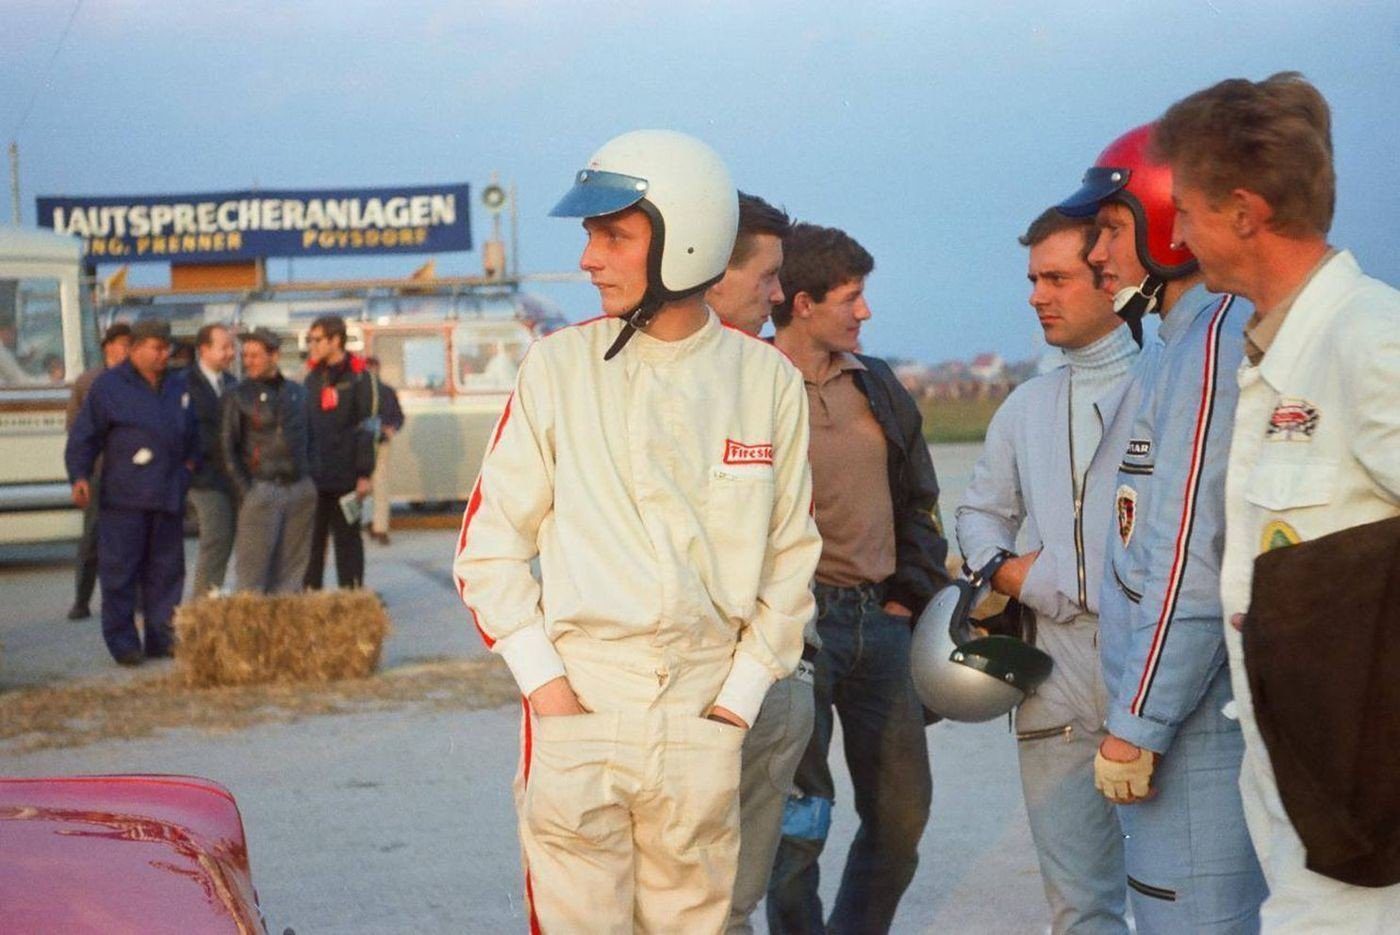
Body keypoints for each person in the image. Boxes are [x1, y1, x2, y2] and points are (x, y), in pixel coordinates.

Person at [452, 129, 822, 934]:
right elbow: (487, 551)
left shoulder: (765, 382)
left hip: (708, 708)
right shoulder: (556, 369)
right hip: (583, 696)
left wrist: (734, 704)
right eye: (590, 234)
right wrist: (550, 692)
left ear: (685, 238)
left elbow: (791, 562)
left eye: (612, 234)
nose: (588, 258)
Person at [1154, 71, 1400, 932]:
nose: (1176, 234)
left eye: (1185, 210)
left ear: (1245, 212)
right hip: (1303, 784)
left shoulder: (1369, 340)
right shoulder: (1276, 346)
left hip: (1369, 800)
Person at [1056, 122, 1267, 931]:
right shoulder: (1172, 346)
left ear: (1164, 218)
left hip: (1194, 727)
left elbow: (1187, 556)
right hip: (1174, 713)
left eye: (1109, 228)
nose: (1096, 255)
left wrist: (1136, 725)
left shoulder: (1212, 340)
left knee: (1193, 916)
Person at [955, 208, 1138, 934]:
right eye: (1033, 278)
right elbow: (978, 513)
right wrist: (1006, 571)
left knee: (1180, 898)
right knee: (1081, 907)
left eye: (1056, 278)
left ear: (1112, 276)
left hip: (1150, 662)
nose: (1037, 295)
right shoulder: (1026, 404)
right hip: (1054, 678)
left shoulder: (1171, 388)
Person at [766, 222, 948, 935]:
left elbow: (920, 499)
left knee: (903, 813)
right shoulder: (753, 382)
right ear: (803, 302)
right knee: (798, 820)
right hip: (798, 631)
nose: (865, 311)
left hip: (883, 622)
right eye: (852, 297)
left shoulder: (878, 385)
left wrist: (908, 595)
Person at [703, 192, 816, 934]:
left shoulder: (770, 376)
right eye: (767, 275)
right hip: (684, 695)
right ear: (709, 268)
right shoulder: (594, 373)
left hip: (766, 685)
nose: (778, 294)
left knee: (731, 906)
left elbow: (792, 540)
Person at [65, 318, 197, 665]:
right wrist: (79, 476)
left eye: (166, 348)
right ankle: (123, 642)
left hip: (168, 495)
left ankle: (161, 636)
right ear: (135, 348)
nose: (163, 354)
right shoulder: (109, 387)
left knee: (166, 572)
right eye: (156, 347)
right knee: (120, 573)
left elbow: (194, 437)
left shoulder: (177, 386)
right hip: (124, 499)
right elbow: (84, 437)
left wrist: (189, 469)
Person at [221, 328, 316, 594]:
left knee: (292, 571)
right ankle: (251, 630)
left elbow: (311, 436)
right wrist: (246, 489)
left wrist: (310, 478)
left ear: (274, 356)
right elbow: (227, 446)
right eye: (245, 355)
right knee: (253, 572)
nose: (248, 361)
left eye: (255, 355)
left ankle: (284, 629)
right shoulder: (237, 395)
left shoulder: (298, 393)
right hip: (261, 487)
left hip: (299, 488)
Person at [302, 314, 376, 590]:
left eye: (317, 340)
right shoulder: (311, 378)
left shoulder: (359, 378)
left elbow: (368, 426)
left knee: (348, 540)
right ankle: (311, 596)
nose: (312, 345)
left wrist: (364, 473)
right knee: (312, 542)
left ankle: (352, 595)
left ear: (335, 340)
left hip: (347, 477)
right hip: (315, 477)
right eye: (311, 340)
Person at [64, 322, 132, 620]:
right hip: (99, 471)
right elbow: (76, 428)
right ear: (109, 347)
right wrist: (83, 470)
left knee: (132, 539)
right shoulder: (88, 381)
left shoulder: (137, 381)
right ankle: (81, 599)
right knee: (91, 538)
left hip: (130, 473)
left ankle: (135, 600)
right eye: (124, 344)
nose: (129, 350)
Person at [185, 323, 238, 598]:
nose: (231, 353)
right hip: (201, 478)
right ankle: (200, 606)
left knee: (225, 539)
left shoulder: (232, 384)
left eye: (232, 347)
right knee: (216, 536)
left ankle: (210, 597)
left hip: (229, 477)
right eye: (224, 347)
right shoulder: (184, 384)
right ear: (203, 350)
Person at [364, 356, 404, 545]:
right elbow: (399, 417)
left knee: (370, 483)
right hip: (378, 442)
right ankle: (378, 527)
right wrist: (391, 427)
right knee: (379, 484)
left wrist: (389, 428)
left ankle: (374, 525)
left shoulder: (362, 391)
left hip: (368, 443)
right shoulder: (387, 391)